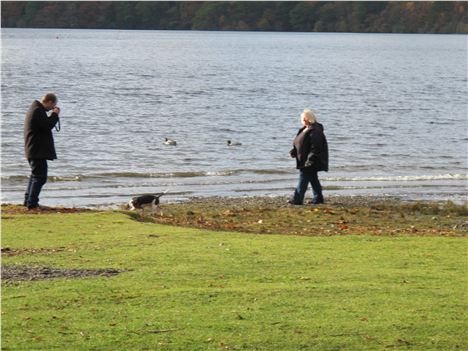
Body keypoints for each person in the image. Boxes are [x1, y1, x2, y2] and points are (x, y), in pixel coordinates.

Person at [23, 93, 60, 210]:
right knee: (40, 177)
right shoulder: (38, 111)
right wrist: (55, 114)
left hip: (33, 149)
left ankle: (28, 201)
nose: (53, 107)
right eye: (53, 105)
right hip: (36, 150)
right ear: (49, 102)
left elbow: (44, 125)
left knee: (35, 175)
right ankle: (32, 204)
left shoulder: (35, 109)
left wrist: (52, 115)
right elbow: (47, 126)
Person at [288, 109, 328, 205]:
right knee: (313, 179)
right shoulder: (305, 128)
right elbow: (301, 142)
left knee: (303, 179)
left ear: (306, 119)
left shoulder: (315, 130)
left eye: (301, 118)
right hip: (304, 159)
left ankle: (297, 199)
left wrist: (310, 159)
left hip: (311, 160)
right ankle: (318, 198)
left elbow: (316, 147)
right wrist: (294, 151)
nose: (301, 120)